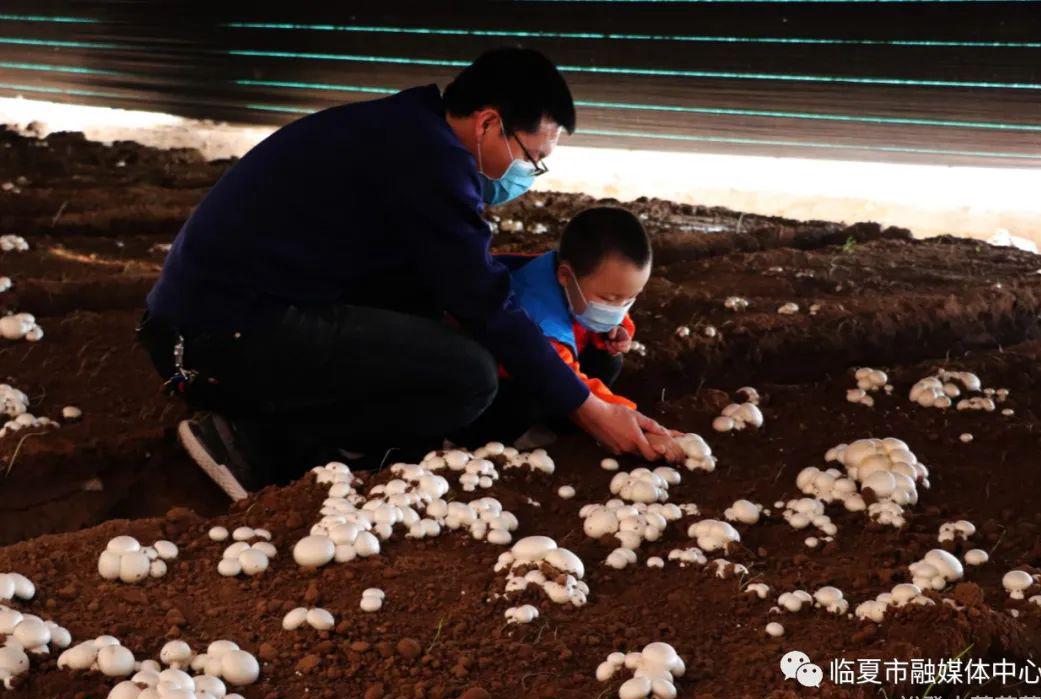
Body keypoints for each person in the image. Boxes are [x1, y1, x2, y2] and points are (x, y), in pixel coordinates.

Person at [137, 46, 680, 500]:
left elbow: (458, 272)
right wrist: (587, 408)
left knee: (432, 315)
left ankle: (298, 427)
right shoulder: (430, 162)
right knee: (467, 377)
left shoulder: (410, 132)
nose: (529, 175)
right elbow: (482, 302)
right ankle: (263, 444)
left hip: (226, 319)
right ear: (489, 122)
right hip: (219, 335)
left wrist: (565, 297)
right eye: (530, 158)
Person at [459, 206, 683, 458]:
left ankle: (557, 428)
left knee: (607, 359)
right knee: (535, 394)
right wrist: (632, 422)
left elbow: (588, 315)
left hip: (548, 365)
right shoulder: (536, 315)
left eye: (629, 299)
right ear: (565, 276)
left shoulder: (566, 276)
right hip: (482, 398)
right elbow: (565, 379)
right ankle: (506, 437)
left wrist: (613, 330)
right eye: (609, 299)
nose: (618, 309)